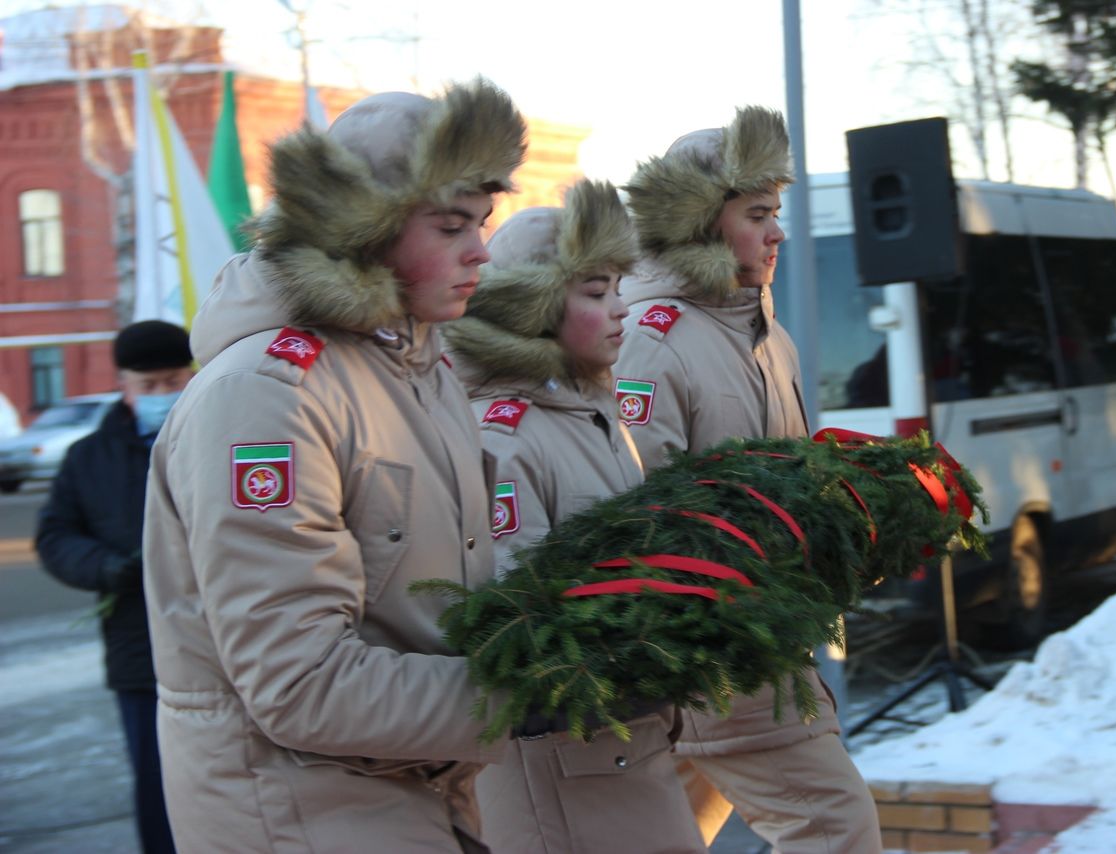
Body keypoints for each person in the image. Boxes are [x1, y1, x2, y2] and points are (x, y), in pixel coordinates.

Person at [141, 82, 526, 852]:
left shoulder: (422, 369)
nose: (481, 249)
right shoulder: (265, 395)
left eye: (482, 223)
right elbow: (298, 684)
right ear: (360, 226)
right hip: (300, 812)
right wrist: (532, 691)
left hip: (417, 787)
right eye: (451, 225)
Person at [614, 107, 882, 852]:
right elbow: (644, 517)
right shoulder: (653, 339)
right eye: (756, 214)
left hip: (767, 631)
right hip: (719, 645)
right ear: (700, 221)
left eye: (777, 213)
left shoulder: (764, 328)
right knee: (834, 825)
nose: (777, 233)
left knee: (670, 835)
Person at [443, 179, 706, 853]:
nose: (621, 310)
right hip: (560, 761)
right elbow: (518, 618)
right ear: (533, 306)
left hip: (622, 743)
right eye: (594, 293)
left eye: (618, 287)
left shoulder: (590, 413)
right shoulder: (505, 436)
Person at [35, 320, 192, 854]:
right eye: (147, 386)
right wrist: (105, 567)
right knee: (160, 787)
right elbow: (56, 536)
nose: (161, 395)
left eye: (173, 381)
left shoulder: (223, 434)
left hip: (228, 646)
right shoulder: (88, 457)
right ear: (123, 383)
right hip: (139, 652)